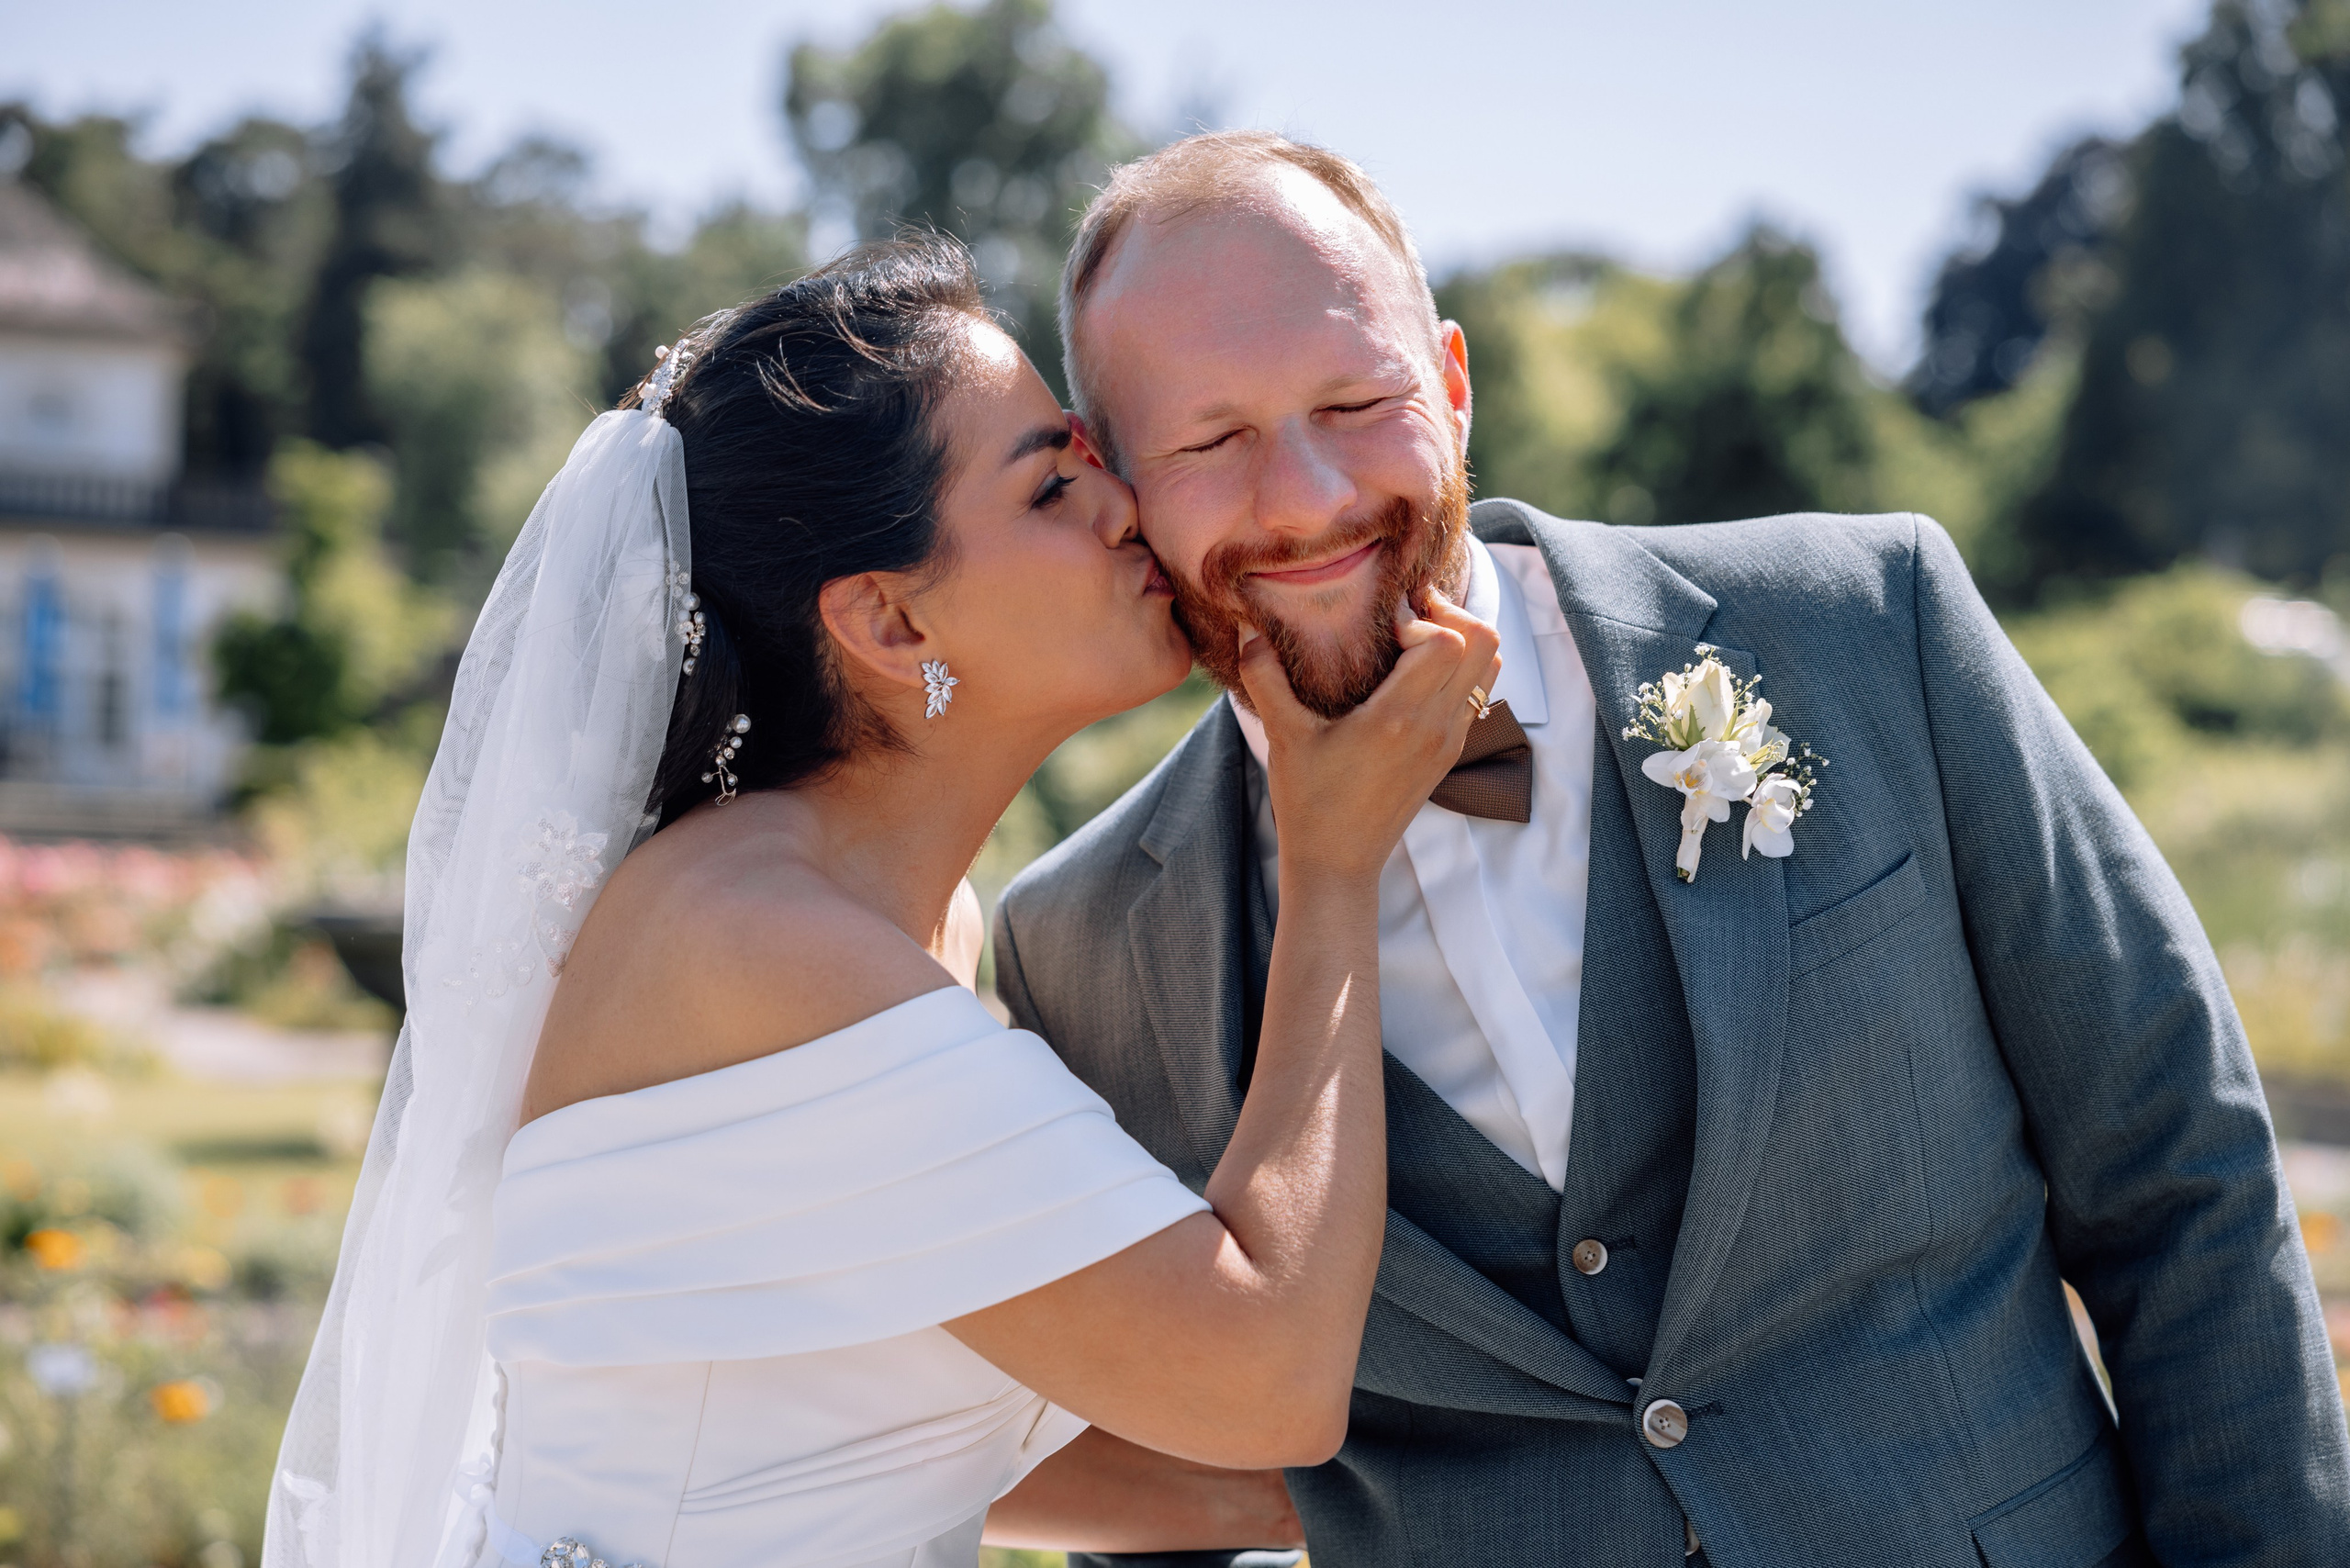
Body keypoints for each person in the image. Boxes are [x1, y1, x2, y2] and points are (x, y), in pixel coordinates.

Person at [994, 130, 2350, 1567]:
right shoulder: (1079, 948)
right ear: (1119, 485)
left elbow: (2179, 1175)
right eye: (1211, 440)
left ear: (1452, 388)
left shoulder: (1866, 623)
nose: (1310, 495)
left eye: (1356, 398)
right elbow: (1157, 1475)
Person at [262, 236, 1502, 1568]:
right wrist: (1331, 862)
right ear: (890, 624)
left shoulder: (891, 918)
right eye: (1050, 488)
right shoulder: (759, 951)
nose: (1127, 508)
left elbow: (850, 1429)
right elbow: (1262, 1383)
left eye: (1092, 460)